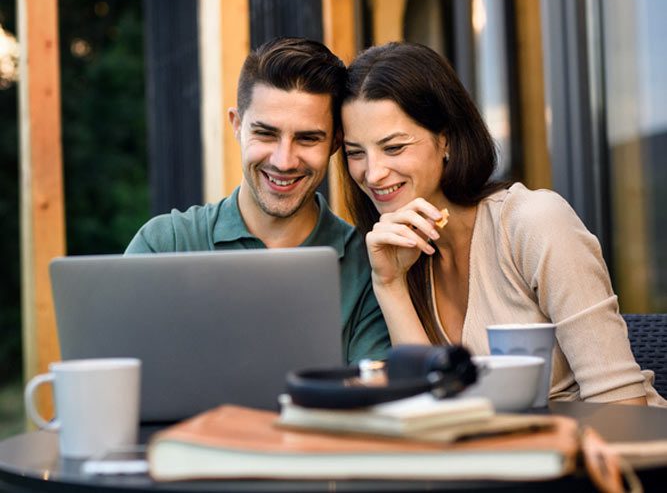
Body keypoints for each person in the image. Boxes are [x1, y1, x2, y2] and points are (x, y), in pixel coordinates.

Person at [341, 41, 666, 406]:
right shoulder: (402, 255)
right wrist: (389, 283)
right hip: (496, 459)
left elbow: (621, 405)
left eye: (394, 147)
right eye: (356, 153)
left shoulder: (534, 222)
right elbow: (429, 407)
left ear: (445, 139)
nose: (373, 172)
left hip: (603, 451)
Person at [126, 37, 390, 365]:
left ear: (335, 142)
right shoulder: (164, 245)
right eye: (265, 134)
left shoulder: (368, 267)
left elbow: (374, 402)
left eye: (308, 138)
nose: (284, 160)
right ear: (237, 125)